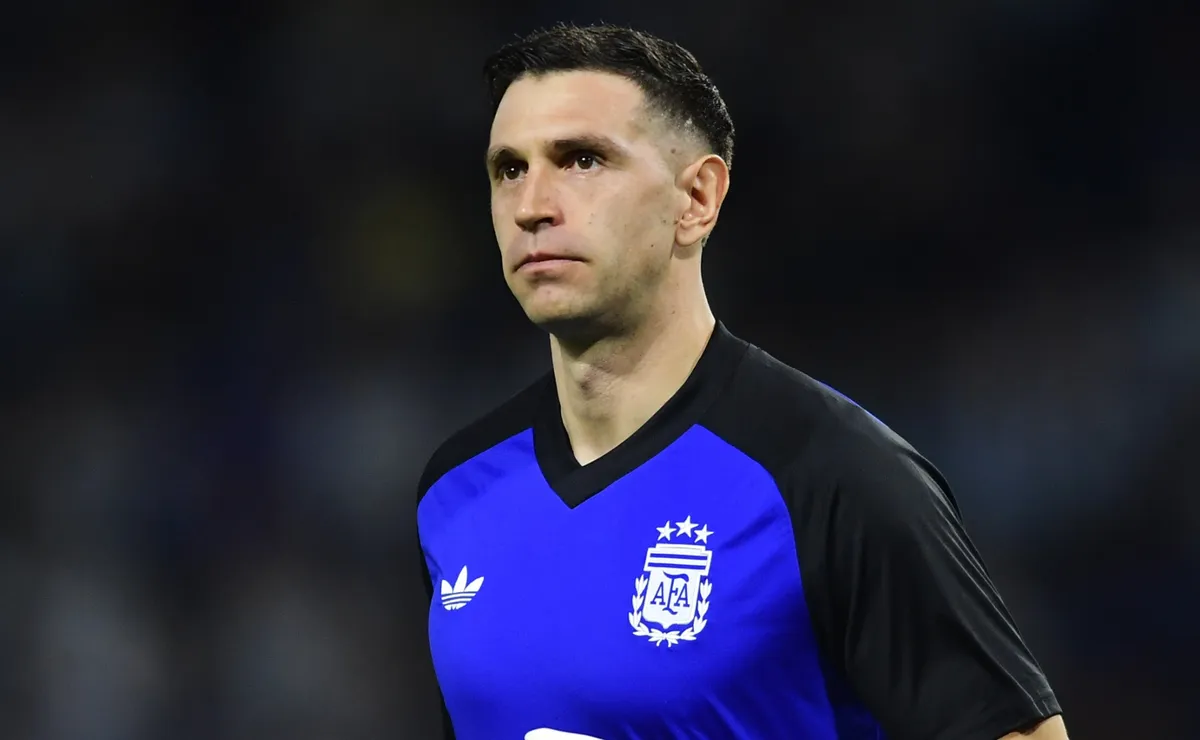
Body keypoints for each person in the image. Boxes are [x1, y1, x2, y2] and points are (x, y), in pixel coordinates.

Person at [416, 22, 1067, 740]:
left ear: (697, 198)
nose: (532, 205)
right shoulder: (456, 490)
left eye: (583, 160)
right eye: (509, 169)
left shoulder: (832, 475)